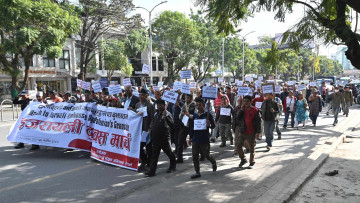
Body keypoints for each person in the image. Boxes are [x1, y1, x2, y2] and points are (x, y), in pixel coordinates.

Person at [145, 99, 176, 177]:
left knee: (169, 152)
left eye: (160, 105)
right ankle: (152, 171)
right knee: (154, 155)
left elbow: (172, 125)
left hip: (164, 138)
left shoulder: (167, 114)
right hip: (156, 138)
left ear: (164, 105)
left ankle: (173, 166)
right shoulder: (156, 114)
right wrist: (150, 130)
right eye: (157, 105)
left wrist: (165, 117)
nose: (158, 106)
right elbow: (154, 123)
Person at [188, 98, 217, 179]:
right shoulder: (195, 115)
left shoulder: (208, 115)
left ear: (203, 105)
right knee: (195, 156)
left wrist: (209, 125)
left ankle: (213, 162)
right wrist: (190, 137)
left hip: (204, 139)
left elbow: (214, 126)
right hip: (195, 139)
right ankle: (197, 172)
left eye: (200, 105)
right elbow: (191, 127)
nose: (198, 107)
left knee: (206, 154)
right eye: (197, 105)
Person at [237, 95, 261, 168]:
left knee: (251, 148)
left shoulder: (255, 110)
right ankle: (243, 159)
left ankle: (251, 161)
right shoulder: (242, 110)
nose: (245, 103)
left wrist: (258, 132)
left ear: (250, 102)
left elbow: (258, 122)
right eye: (244, 101)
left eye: (247, 101)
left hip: (251, 132)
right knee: (238, 146)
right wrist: (241, 109)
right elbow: (238, 117)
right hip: (243, 131)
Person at [136, 88, 155, 172]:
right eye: (140, 95)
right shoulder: (137, 105)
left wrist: (150, 129)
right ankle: (144, 162)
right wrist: (132, 110)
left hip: (147, 130)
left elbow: (152, 118)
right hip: (139, 131)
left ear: (146, 96)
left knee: (148, 148)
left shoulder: (150, 106)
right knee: (139, 148)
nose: (141, 96)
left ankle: (149, 164)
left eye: (143, 95)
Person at [177, 94, 196, 163]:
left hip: (192, 126)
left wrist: (189, 115)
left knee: (195, 142)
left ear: (191, 98)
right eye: (186, 98)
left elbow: (196, 116)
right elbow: (180, 117)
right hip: (184, 125)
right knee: (180, 141)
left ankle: (200, 155)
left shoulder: (194, 105)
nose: (186, 99)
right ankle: (179, 157)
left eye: (188, 98)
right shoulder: (184, 105)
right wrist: (181, 114)